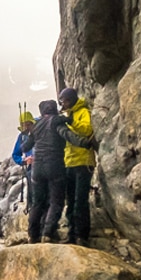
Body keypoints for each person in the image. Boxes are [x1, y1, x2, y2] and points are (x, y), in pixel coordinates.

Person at [58, 86, 96, 246]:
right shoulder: (68, 114)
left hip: (83, 161)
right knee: (71, 200)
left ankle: (82, 235)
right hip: (70, 162)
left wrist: (72, 122)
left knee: (80, 200)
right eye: (62, 101)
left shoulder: (82, 112)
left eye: (66, 100)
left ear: (72, 99)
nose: (64, 104)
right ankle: (72, 234)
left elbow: (87, 129)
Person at [25, 99, 67, 242]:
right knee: (56, 201)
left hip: (37, 168)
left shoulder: (37, 126)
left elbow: (24, 147)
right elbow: (67, 130)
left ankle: (33, 235)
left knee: (37, 202)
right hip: (54, 165)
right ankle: (48, 233)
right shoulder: (57, 121)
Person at [12, 107, 36, 205]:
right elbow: (15, 154)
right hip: (30, 168)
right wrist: (24, 161)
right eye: (23, 125)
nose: (26, 127)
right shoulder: (22, 137)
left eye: (28, 124)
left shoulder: (39, 133)